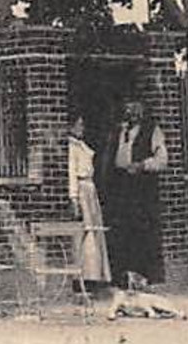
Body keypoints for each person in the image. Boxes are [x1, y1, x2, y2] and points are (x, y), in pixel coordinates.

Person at [103, 98, 168, 286]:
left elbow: (162, 159)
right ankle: (122, 277)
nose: (131, 113)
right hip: (121, 185)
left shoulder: (152, 131)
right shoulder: (118, 131)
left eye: (135, 109)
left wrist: (142, 165)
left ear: (142, 111)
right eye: (128, 109)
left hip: (141, 187)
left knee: (142, 230)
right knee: (121, 230)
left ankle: (144, 276)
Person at [66, 118, 112, 284]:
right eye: (79, 125)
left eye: (83, 125)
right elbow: (72, 173)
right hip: (82, 190)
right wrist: (74, 198)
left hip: (89, 189)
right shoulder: (71, 147)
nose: (82, 128)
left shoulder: (81, 145)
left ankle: (95, 273)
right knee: (86, 233)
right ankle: (84, 274)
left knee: (94, 229)